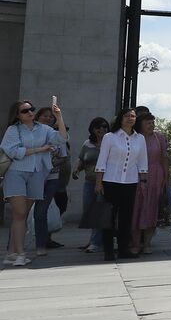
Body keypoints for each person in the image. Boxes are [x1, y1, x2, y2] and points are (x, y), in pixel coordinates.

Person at [3, 100, 66, 266]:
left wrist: (59, 117)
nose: (30, 112)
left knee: (21, 216)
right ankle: (21, 254)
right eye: (25, 111)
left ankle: (11, 252)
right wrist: (40, 149)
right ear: (17, 115)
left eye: (31, 109)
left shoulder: (44, 129)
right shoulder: (13, 129)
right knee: (20, 214)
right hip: (16, 173)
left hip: (37, 173)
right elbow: (12, 151)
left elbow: (61, 139)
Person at [94, 108, 148, 261]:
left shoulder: (140, 139)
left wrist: (143, 181)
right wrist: (99, 182)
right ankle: (108, 251)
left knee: (126, 218)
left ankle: (124, 249)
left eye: (132, 116)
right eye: (127, 116)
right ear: (120, 118)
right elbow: (102, 160)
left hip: (130, 182)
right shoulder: (110, 137)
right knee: (108, 218)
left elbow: (142, 162)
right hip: (111, 181)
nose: (130, 118)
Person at [29, 106, 70, 255]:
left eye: (50, 117)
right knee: (22, 213)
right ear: (37, 117)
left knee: (41, 210)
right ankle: (15, 245)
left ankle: (41, 244)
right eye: (44, 116)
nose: (47, 118)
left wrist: (51, 163)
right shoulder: (31, 134)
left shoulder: (57, 135)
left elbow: (63, 157)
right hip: (33, 176)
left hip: (51, 177)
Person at [131, 112, 167, 255]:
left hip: (155, 175)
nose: (151, 125)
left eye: (152, 122)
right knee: (136, 209)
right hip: (136, 175)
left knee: (151, 209)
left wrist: (166, 178)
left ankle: (147, 243)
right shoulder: (134, 138)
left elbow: (164, 158)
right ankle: (134, 243)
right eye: (148, 123)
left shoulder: (159, 138)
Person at [72, 117, 110, 254]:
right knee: (88, 210)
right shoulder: (87, 143)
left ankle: (95, 242)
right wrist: (76, 170)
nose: (101, 129)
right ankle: (94, 240)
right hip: (89, 181)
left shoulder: (110, 142)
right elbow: (82, 159)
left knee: (99, 211)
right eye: (98, 127)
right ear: (92, 129)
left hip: (104, 182)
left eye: (104, 127)